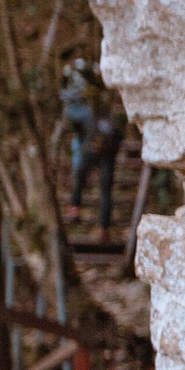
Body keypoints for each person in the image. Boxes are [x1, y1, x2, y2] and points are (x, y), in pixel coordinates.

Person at [60, 57, 126, 237]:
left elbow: (75, 122)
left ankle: (80, 210)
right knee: (100, 186)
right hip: (103, 151)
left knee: (86, 178)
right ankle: (99, 224)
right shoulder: (100, 113)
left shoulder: (92, 114)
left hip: (98, 149)